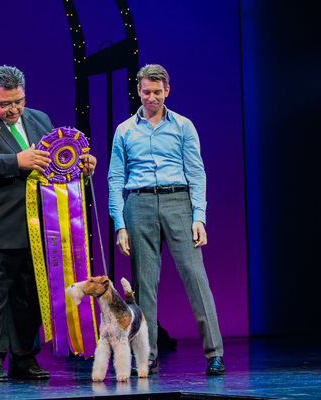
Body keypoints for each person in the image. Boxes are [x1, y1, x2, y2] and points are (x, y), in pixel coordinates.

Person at [0, 65, 96, 382]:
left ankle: (24, 358)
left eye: (19, 101)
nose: (14, 109)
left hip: (36, 229)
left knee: (29, 297)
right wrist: (16, 161)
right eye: (6, 104)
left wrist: (79, 163)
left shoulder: (39, 120)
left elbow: (57, 161)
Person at [107, 64, 225, 376]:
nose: (151, 98)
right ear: (138, 90)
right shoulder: (125, 130)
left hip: (178, 202)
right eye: (146, 92)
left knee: (195, 278)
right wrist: (120, 224)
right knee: (144, 286)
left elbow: (197, 173)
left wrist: (199, 216)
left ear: (167, 91)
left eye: (157, 92)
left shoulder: (183, 126)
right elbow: (116, 179)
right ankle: (147, 356)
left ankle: (215, 354)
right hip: (140, 204)